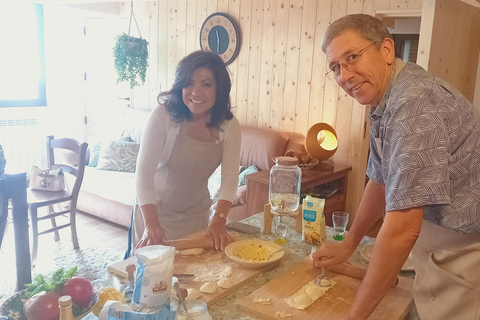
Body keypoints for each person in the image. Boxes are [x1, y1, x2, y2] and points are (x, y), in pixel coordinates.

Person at [311, 14, 480, 320]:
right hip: (436, 246)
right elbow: (380, 178)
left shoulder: (413, 104)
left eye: (352, 57)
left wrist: (354, 316)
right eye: (336, 67)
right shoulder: (384, 99)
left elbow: (403, 228)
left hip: (467, 252)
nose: (345, 75)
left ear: (386, 49)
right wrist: (349, 243)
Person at [130, 50, 241, 254]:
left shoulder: (229, 126)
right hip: (155, 214)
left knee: (193, 278)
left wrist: (219, 219)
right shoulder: (163, 116)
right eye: (189, 83)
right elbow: (143, 175)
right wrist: (152, 226)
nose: (195, 92)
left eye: (206, 84)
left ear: (220, 89)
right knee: (151, 279)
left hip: (197, 217)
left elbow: (230, 180)